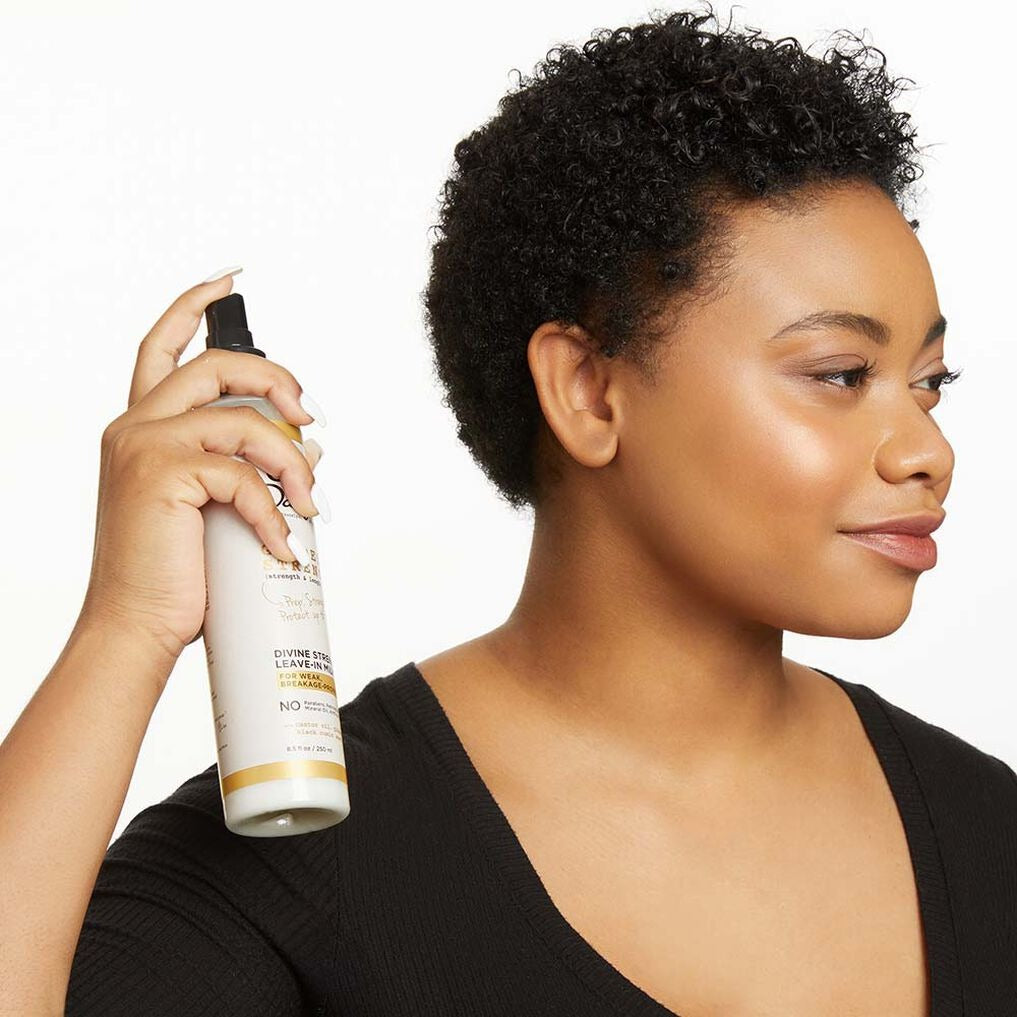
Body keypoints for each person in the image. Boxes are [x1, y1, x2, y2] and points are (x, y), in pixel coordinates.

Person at [2, 5, 1015, 1015]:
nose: (926, 451)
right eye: (840, 374)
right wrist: (125, 626)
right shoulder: (298, 859)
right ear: (588, 391)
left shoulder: (988, 830)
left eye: (930, 383)